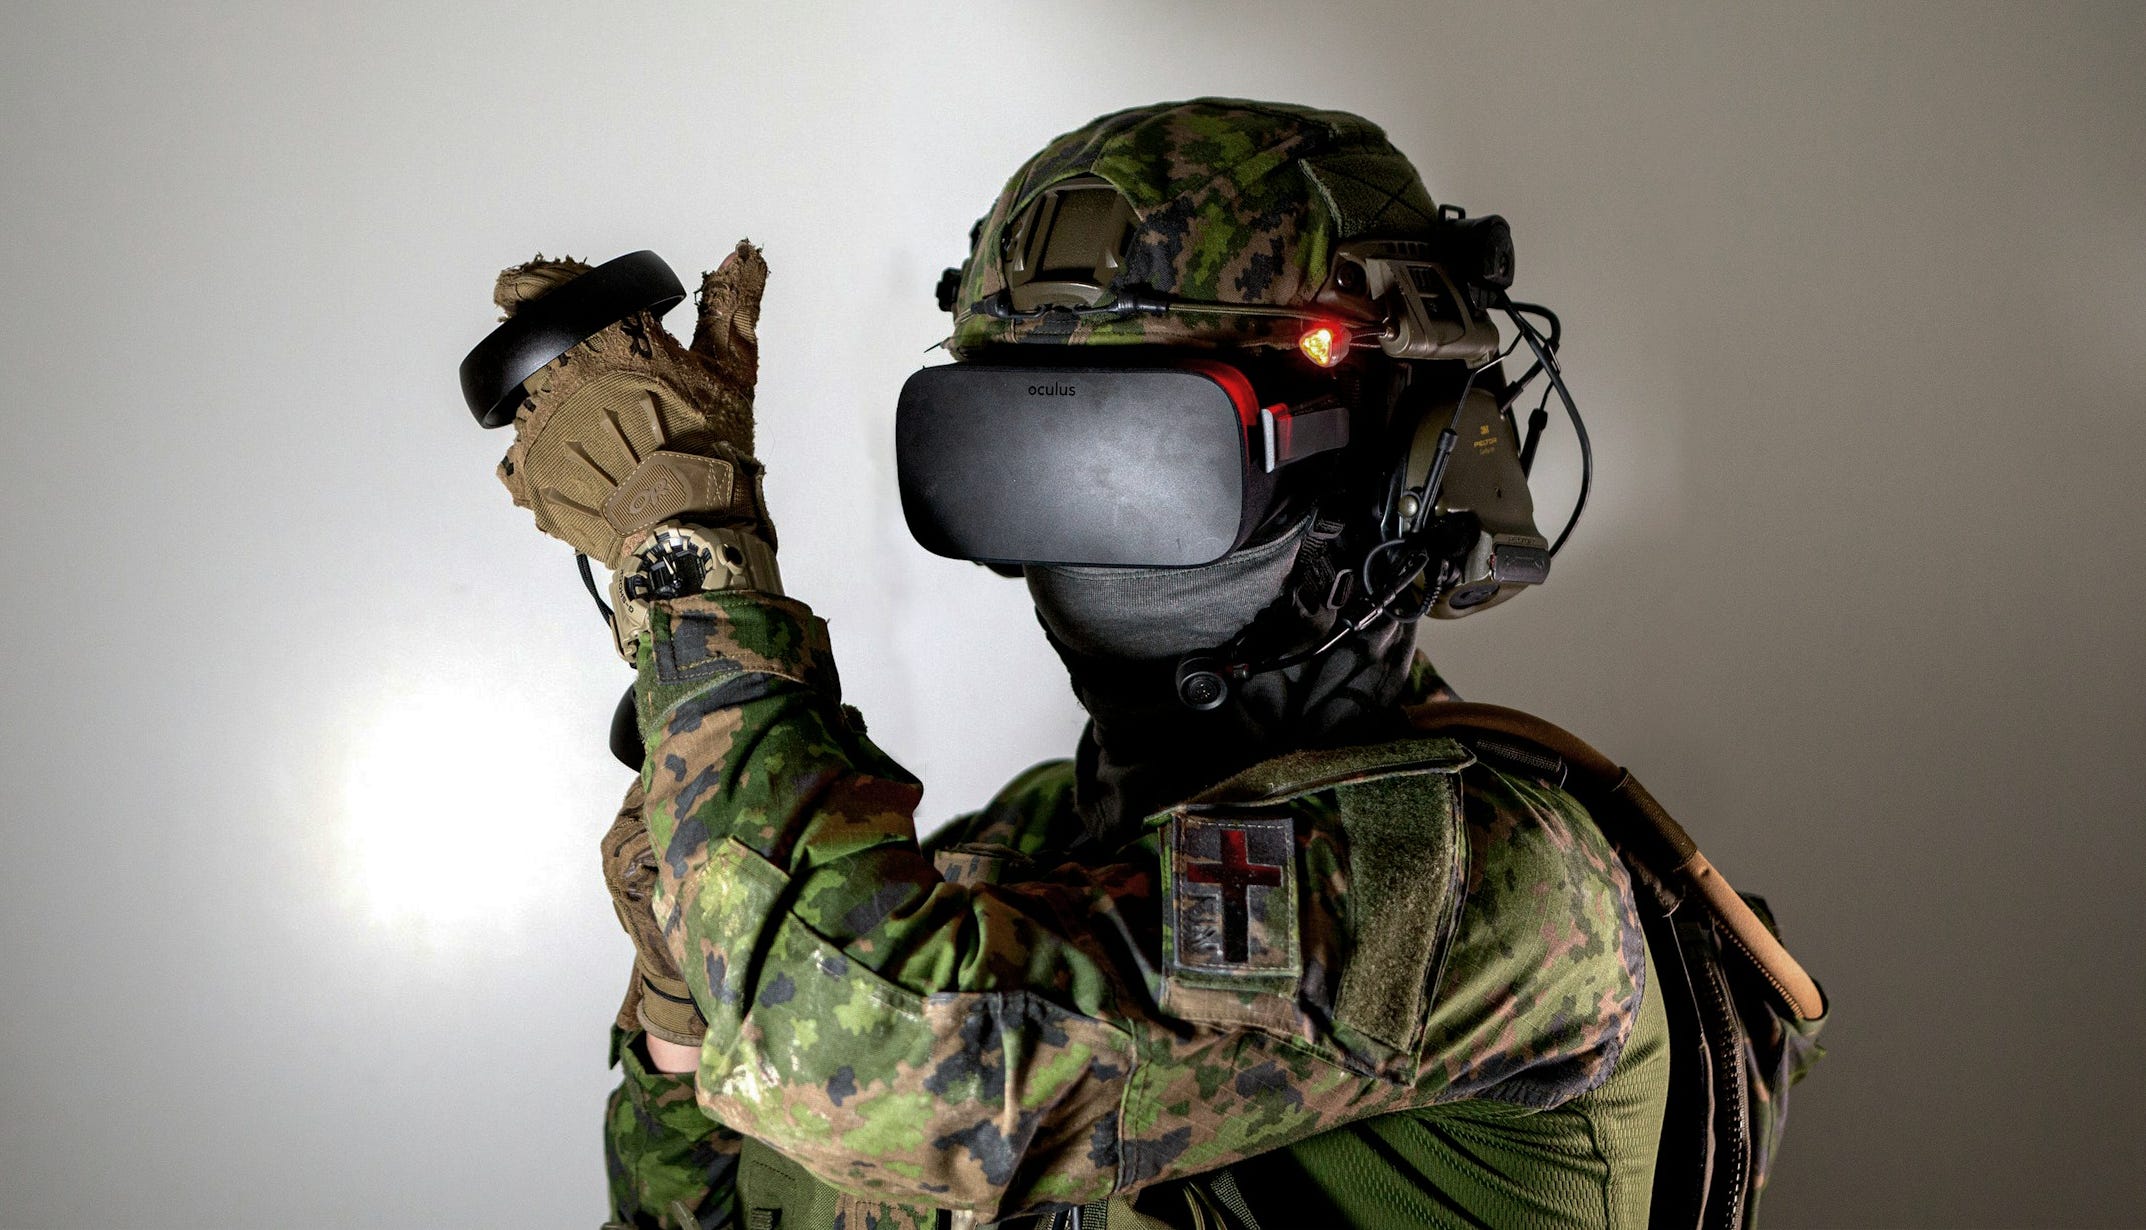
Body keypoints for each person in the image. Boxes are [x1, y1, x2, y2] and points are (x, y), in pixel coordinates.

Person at [473, 99, 1822, 1230]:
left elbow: (898, 1067)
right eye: (1011, 451)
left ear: (1400, 466)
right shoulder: (1027, 849)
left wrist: (688, 564)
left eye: (1152, 456)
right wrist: (686, 996)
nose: (1079, 530)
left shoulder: (1492, 883)